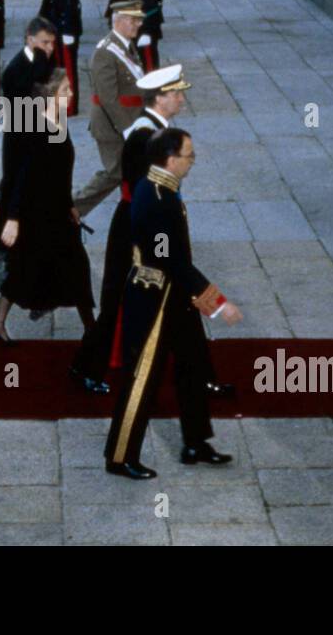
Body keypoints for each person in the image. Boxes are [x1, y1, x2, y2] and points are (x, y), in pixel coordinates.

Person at [104, 128, 242, 479]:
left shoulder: (160, 189)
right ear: (170, 160)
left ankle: (195, 441)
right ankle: (120, 456)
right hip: (155, 301)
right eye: (188, 156)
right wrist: (217, 303)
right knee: (142, 379)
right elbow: (171, 262)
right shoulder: (157, 200)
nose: (192, 162)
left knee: (192, 368)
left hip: (175, 297)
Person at [0, 70, 94, 344]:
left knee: (35, 265)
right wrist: (13, 218)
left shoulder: (56, 122)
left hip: (55, 210)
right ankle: (93, 328)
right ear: (49, 97)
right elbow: (23, 177)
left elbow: (60, 174)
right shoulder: (38, 130)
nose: (72, 94)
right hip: (39, 214)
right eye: (65, 90)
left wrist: (70, 206)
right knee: (69, 264)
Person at [72, 2, 145, 217]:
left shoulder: (125, 45)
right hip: (111, 124)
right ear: (119, 21)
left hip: (128, 119)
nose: (138, 24)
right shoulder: (106, 52)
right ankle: (75, 208)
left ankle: (135, 209)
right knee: (116, 171)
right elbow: (108, 97)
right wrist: (127, 128)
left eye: (138, 20)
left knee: (132, 169)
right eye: (133, 20)